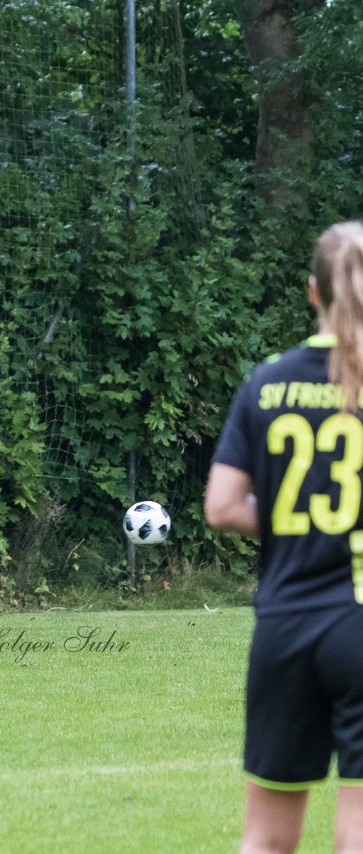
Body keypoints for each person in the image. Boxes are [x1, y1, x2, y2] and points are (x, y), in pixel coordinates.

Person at [205, 220, 363, 854]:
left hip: (284, 624)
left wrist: (299, 520)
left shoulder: (266, 383)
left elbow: (221, 508)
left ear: (312, 292)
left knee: (267, 841)